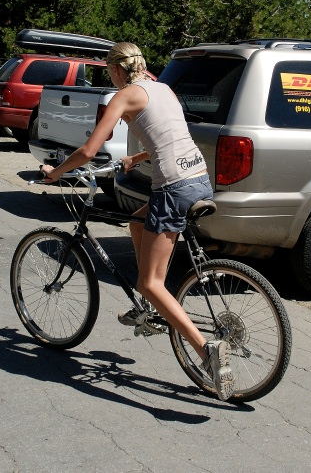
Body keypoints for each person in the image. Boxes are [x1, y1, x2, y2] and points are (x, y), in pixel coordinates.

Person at [40, 42, 235, 401]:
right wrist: (137, 157)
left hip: (173, 189)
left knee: (150, 282)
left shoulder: (124, 96)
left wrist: (55, 173)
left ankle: (205, 350)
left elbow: (86, 151)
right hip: (200, 178)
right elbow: (174, 135)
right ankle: (148, 310)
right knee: (135, 221)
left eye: (108, 70)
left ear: (116, 69)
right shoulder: (163, 88)